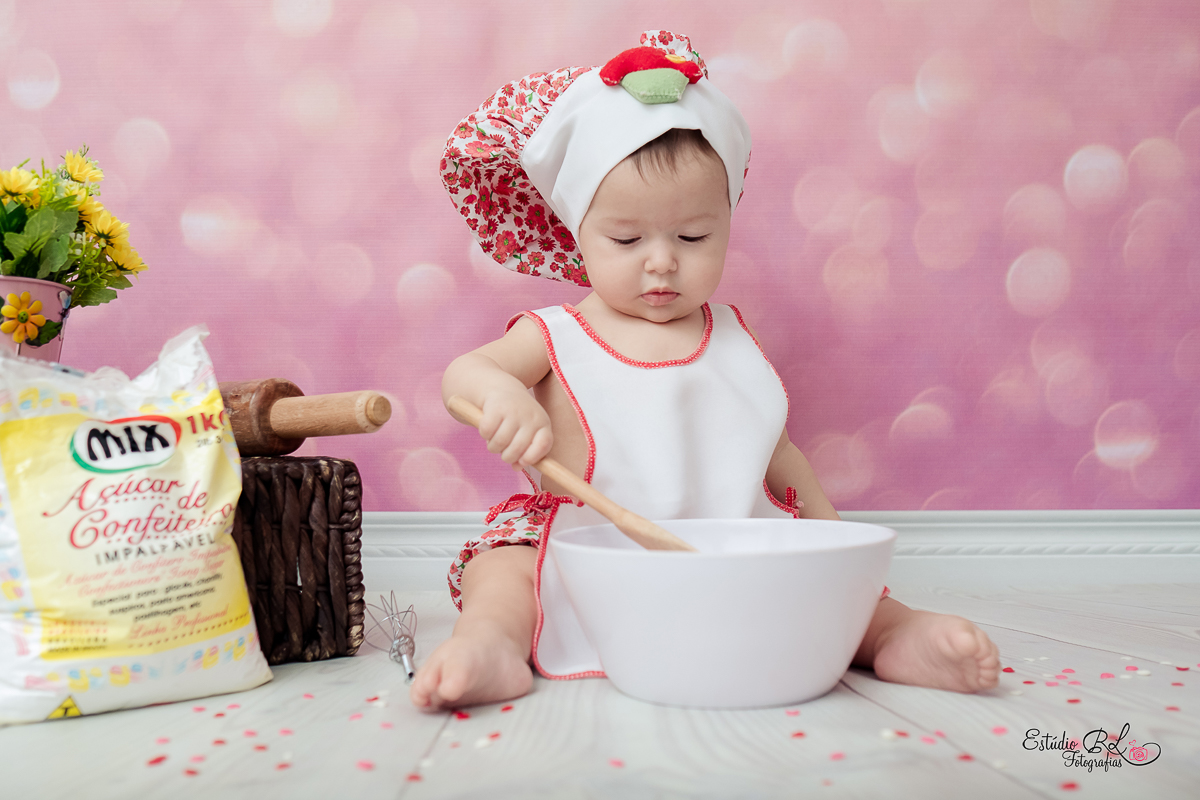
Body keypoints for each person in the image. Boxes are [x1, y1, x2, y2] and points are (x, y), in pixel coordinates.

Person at [411, 31, 1000, 710]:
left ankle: (894, 636)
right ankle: (492, 645)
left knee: (824, 590)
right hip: (590, 556)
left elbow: (779, 458)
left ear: (727, 222)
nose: (661, 261)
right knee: (504, 571)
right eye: (626, 240)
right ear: (576, 232)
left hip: (730, 544)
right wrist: (498, 394)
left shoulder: (732, 338)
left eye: (693, 237)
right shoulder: (558, 334)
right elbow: (464, 375)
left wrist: (838, 549)